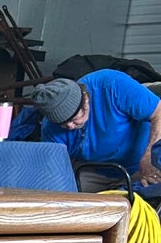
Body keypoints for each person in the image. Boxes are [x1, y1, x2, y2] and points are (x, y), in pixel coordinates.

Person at [22, 72, 161, 182]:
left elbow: (158, 113)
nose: (70, 126)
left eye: (74, 119)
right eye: (63, 123)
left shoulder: (113, 85)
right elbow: (57, 170)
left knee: (148, 203)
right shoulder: (50, 129)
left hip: (142, 165)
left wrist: (150, 156)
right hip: (95, 170)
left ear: (86, 99)